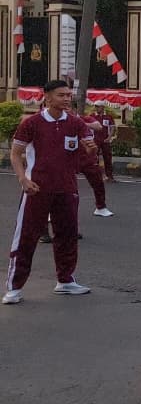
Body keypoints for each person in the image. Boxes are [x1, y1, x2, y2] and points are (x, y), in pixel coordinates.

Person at [4, 80, 95, 305]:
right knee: (26, 237)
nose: (66, 99)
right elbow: (16, 154)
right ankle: (14, 287)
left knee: (67, 235)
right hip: (37, 189)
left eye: (68, 95)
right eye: (61, 95)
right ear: (47, 96)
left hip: (67, 189)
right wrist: (23, 179)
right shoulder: (32, 123)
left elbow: (88, 148)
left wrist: (90, 149)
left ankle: (65, 280)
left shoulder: (75, 123)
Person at [77, 105, 113, 217]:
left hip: (87, 157)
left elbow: (98, 126)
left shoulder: (84, 118)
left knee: (98, 182)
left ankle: (101, 207)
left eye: (69, 108)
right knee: (62, 186)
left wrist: (79, 123)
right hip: (69, 158)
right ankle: (52, 212)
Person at [94, 104, 117, 181]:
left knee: (107, 157)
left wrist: (109, 137)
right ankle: (96, 176)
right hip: (95, 140)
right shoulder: (92, 116)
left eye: (98, 106)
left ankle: (109, 175)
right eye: (96, 106)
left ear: (103, 107)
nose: (96, 108)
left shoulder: (108, 116)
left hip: (105, 140)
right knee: (94, 158)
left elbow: (112, 127)